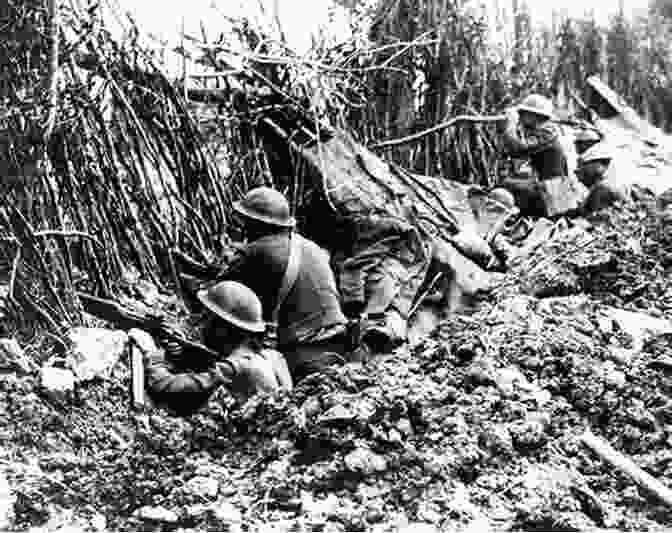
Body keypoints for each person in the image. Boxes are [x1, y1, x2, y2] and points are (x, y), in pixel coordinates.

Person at [216, 186, 351, 381]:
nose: (243, 227)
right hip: (339, 344)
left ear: (256, 224)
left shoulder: (255, 252)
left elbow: (222, 294)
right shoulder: (311, 247)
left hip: (301, 354)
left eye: (246, 221)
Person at [131, 281, 292, 416]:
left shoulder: (235, 366)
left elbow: (166, 387)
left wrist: (151, 353)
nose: (201, 324)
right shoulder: (270, 356)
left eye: (207, 317)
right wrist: (186, 356)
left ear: (222, 328)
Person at [500, 94, 584, 217]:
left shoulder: (547, 131)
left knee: (506, 184)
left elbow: (518, 148)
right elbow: (515, 153)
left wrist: (510, 125)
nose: (520, 117)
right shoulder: (542, 131)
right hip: (553, 188)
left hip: (556, 191)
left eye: (523, 113)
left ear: (534, 116)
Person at [575, 143, 630, 212]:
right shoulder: (614, 180)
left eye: (584, 170)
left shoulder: (604, 186)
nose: (580, 178)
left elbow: (585, 213)